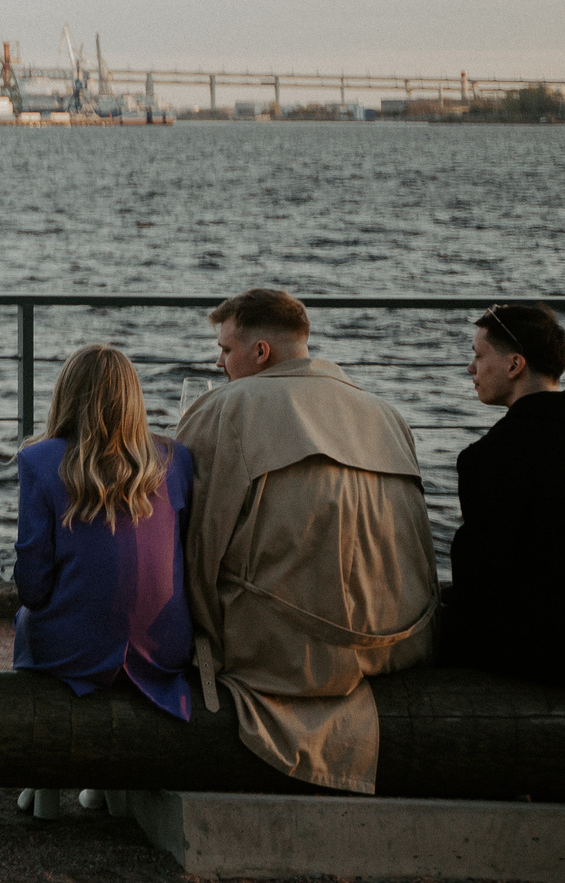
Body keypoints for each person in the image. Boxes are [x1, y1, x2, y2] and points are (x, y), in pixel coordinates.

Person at [177, 288, 436, 797]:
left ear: (260, 353)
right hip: (401, 640)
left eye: (226, 350)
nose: (219, 361)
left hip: (297, 652)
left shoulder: (227, 409)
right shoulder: (385, 413)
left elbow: (194, 548)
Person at [11, 345, 196, 821]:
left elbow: (32, 586)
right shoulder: (176, 460)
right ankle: (103, 785)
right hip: (161, 647)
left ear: (66, 397)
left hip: (75, 649)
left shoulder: (39, 461)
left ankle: (45, 784)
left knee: (27, 619)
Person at [439, 304, 565, 683]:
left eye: (478, 355)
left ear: (515, 365)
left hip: (551, 652)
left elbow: (479, 583)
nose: (471, 368)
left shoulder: (490, 458)